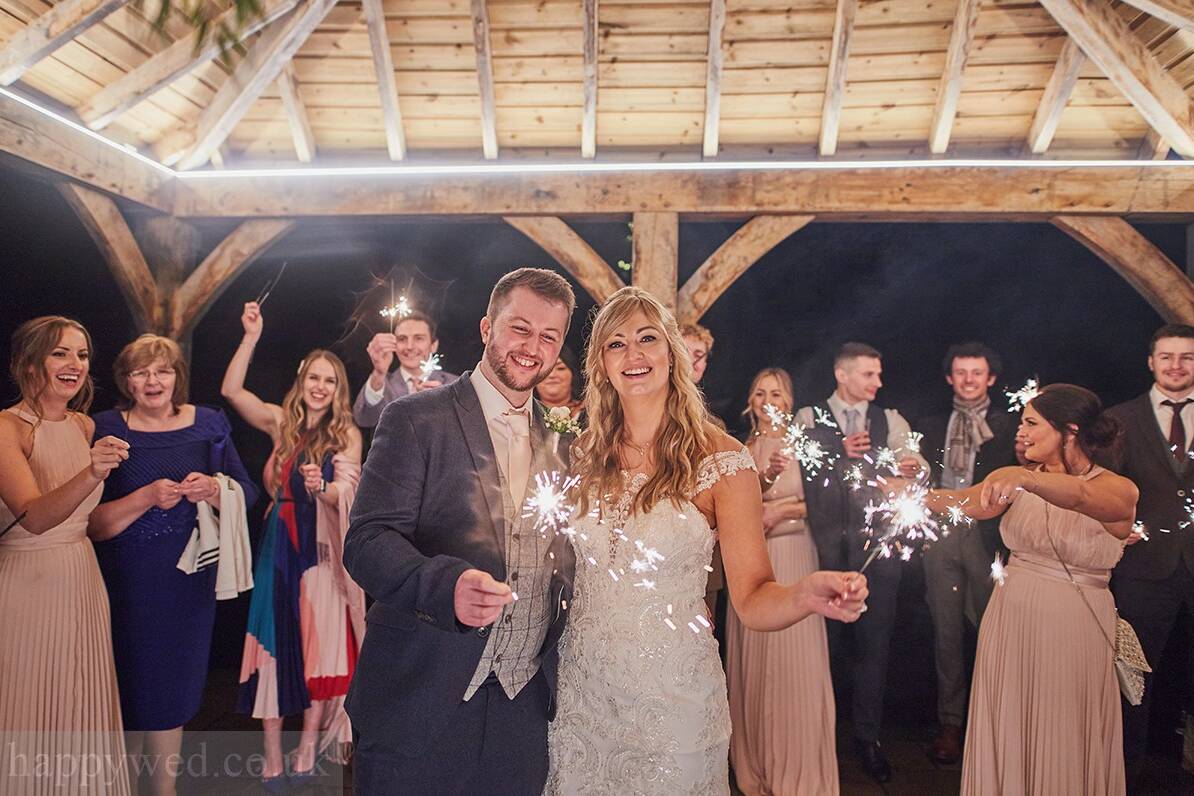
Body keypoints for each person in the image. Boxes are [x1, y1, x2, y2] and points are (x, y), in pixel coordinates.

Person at [547, 287, 868, 795]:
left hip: (674, 701)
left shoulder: (723, 461)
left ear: (673, 353)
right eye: (616, 343)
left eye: (647, 339)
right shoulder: (582, 454)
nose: (633, 355)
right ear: (600, 363)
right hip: (584, 699)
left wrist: (805, 594)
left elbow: (753, 595)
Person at [343, 268, 579, 794]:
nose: (531, 348)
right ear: (485, 328)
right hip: (421, 694)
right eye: (519, 328)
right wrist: (444, 586)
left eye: (549, 337)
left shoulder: (565, 443)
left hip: (523, 708)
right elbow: (366, 542)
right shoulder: (414, 419)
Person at [927, 383, 1136, 794]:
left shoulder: (1118, 488)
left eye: (1031, 423)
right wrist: (916, 494)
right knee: (1011, 720)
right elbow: (964, 502)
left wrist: (1026, 479)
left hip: (1073, 627)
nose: (1020, 432)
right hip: (1011, 617)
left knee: (1062, 725)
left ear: (1069, 431)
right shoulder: (1017, 477)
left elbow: (1080, 496)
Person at [88, 334, 257, 795]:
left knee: (171, 695)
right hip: (124, 587)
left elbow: (248, 490)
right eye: (141, 372)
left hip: (188, 590)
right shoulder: (103, 428)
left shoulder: (208, 423)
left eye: (162, 370)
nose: (152, 380)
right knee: (123, 694)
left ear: (177, 376)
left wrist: (217, 489)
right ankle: (119, 786)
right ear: (126, 380)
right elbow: (90, 524)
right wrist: (143, 497)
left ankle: (164, 790)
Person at [222, 301, 365, 786]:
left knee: (320, 646)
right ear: (302, 381)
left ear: (337, 389)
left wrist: (320, 489)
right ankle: (271, 754)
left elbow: (347, 493)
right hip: (278, 544)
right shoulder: (281, 424)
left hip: (322, 549)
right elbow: (231, 391)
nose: (320, 387)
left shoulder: (344, 433)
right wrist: (250, 336)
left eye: (329, 380)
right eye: (313, 378)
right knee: (273, 641)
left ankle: (306, 747)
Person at [0, 316, 131, 795]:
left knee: (81, 704)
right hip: (27, 586)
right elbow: (33, 516)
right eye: (60, 353)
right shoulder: (6, 428)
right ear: (28, 363)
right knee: (28, 708)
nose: (74, 364)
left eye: (81, 354)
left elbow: (85, 521)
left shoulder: (83, 424)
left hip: (81, 578)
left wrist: (152, 499)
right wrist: (93, 472)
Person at [795, 342, 925, 783]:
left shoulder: (890, 420)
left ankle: (867, 739)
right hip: (821, 553)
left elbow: (918, 461)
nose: (878, 383)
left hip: (874, 556)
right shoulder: (809, 419)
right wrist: (836, 450)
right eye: (869, 374)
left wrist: (912, 468)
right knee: (821, 650)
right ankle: (817, 738)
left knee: (874, 646)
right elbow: (797, 470)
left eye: (878, 374)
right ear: (842, 374)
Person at [728, 367, 839, 794]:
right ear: (751, 401)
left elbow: (831, 506)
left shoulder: (807, 444)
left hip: (795, 557)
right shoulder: (740, 449)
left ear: (789, 401)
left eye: (776, 392)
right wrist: (766, 482)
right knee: (756, 659)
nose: (768, 399)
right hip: (753, 562)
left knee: (794, 657)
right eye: (760, 392)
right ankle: (755, 768)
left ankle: (799, 771)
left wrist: (784, 510)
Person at [917, 342, 1017, 765]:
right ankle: (951, 723)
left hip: (989, 536)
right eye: (961, 372)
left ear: (991, 378)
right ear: (950, 378)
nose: (969, 379)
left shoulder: (1012, 426)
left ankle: (996, 723)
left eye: (977, 372)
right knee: (947, 633)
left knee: (995, 632)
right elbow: (919, 475)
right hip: (941, 534)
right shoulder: (930, 423)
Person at [1108, 323, 1194, 786]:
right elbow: (1105, 487)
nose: (1176, 365)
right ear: (1151, 361)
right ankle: (1123, 777)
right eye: (1167, 357)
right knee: (1132, 681)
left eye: (1187, 357)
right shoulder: (1120, 419)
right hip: (1143, 570)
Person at [352, 310, 459, 429]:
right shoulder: (382, 385)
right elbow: (363, 418)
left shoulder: (455, 384)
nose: (409, 346)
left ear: (433, 345)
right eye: (402, 339)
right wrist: (379, 372)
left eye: (418, 338)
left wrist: (443, 403)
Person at [534, 345, 583, 419]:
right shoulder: (522, 415)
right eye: (545, 370)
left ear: (573, 375)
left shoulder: (592, 413)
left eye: (560, 369)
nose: (552, 375)